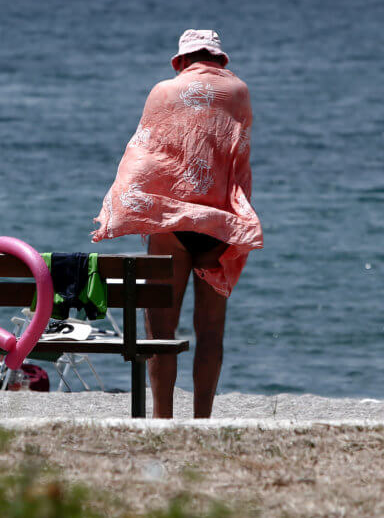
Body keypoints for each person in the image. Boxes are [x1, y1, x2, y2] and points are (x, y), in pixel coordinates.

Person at [92, 29, 263, 418]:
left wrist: (126, 210)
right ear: (220, 59)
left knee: (159, 335)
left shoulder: (162, 92)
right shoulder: (238, 93)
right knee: (211, 333)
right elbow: (238, 161)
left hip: (170, 225)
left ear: (180, 61)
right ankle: (202, 419)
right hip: (218, 226)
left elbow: (144, 155)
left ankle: (163, 419)